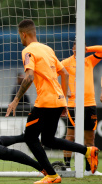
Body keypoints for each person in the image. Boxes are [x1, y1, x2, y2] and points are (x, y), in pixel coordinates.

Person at [6, 19, 99, 184]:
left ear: (23, 34)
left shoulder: (28, 51)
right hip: (58, 101)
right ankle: (87, 150)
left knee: (30, 137)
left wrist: (15, 100)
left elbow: (29, 77)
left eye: (19, 35)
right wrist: (63, 99)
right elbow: (64, 73)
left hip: (45, 102)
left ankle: (52, 175)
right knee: (48, 140)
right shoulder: (47, 49)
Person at [61, 41, 102, 175]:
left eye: (81, 47)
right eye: (76, 47)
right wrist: (63, 90)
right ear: (72, 49)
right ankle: (67, 167)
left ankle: (89, 170)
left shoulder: (89, 60)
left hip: (90, 104)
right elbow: (53, 74)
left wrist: (88, 49)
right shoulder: (66, 62)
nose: (77, 49)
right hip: (73, 105)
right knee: (70, 136)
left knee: (90, 139)